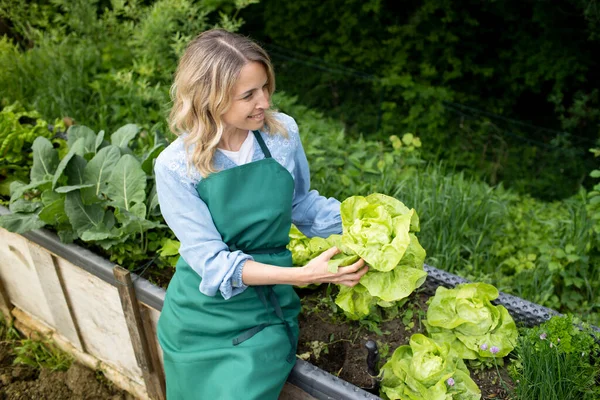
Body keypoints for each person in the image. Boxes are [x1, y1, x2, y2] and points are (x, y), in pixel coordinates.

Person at [154, 28, 368, 400]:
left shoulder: (281, 135)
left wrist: (369, 223)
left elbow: (301, 205)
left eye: (265, 87)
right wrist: (302, 276)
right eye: (248, 95)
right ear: (209, 98)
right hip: (203, 315)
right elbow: (213, 262)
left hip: (267, 304)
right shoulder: (175, 166)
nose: (264, 102)